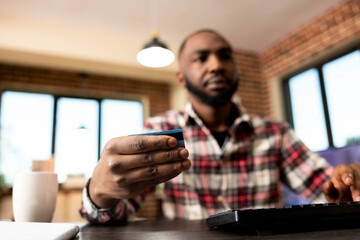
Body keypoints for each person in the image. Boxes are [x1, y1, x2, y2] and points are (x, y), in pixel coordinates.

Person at [79, 29, 360, 224]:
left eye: (225, 56)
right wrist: (100, 193)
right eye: (201, 58)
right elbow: (117, 211)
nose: (216, 65)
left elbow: (328, 189)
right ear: (181, 78)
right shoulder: (161, 128)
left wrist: (345, 185)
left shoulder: (275, 133)